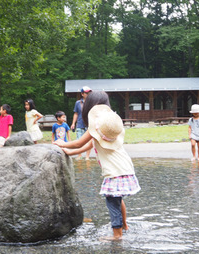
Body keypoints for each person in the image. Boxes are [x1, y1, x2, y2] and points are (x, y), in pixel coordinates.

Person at [54, 91, 140, 240]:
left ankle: (117, 234)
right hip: (124, 166)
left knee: (112, 200)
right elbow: (90, 144)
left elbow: (80, 142)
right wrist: (70, 151)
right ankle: (124, 226)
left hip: (114, 171)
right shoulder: (110, 125)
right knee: (118, 198)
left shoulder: (99, 125)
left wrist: (63, 143)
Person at [71, 86, 92, 160]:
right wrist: (73, 123)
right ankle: (79, 155)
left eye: (89, 92)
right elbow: (76, 113)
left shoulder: (92, 102)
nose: (88, 94)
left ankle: (87, 156)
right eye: (86, 93)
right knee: (79, 140)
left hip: (89, 125)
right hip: (80, 124)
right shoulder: (78, 103)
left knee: (89, 141)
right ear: (82, 94)